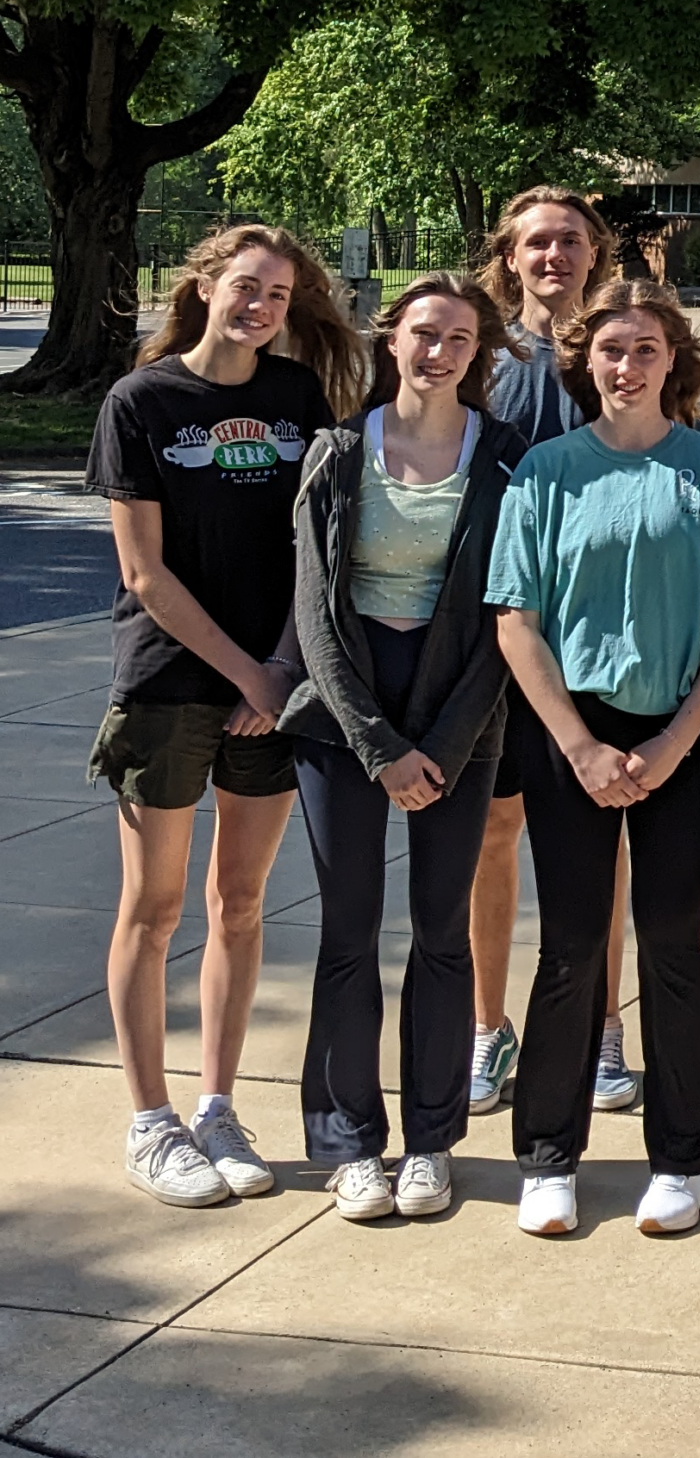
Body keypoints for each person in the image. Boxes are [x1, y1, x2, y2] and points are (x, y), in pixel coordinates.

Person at [87, 224, 364, 1207]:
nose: (260, 307)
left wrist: (284, 670)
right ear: (201, 287)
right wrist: (247, 673)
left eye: (278, 296)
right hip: (170, 685)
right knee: (155, 909)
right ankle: (151, 1121)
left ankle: (216, 1106)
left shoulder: (296, 399)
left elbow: (317, 552)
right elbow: (141, 573)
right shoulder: (143, 403)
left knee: (238, 906)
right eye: (245, 287)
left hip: (270, 692)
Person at [486, 279, 700, 1237]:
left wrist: (674, 741)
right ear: (583, 361)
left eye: (645, 349)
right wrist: (580, 744)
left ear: (675, 360)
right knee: (573, 946)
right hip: (571, 733)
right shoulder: (545, 472)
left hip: (682, 727)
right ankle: (548, 1156)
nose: (627, 366)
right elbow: (516, 621)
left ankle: (683, 1160)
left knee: (672, 945)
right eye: (611, 350)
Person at [280, 273, 526, 1220]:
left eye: (460, 339)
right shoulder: (337, 453)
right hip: (346, 719)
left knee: (439, 934)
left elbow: (508, 613)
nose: (440, 351)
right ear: (394, 341)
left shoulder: (503, 458)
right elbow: (314, 610)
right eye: (426, 333)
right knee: (347, 934)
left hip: (460, 714)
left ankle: (431, 1140)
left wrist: (449, 745)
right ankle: (349, 1144)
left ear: (479, 353)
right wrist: (378, 745)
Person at [470, 185, 638, 1116]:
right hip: (499, 629)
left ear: (594, 254)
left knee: (598, 843)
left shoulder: (616, 349)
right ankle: (488, 1029)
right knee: (496, 831)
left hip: (597, 632)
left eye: (571, 241)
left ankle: (603, 1030)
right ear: (510, 255)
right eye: (537, 242)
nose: (554, 256)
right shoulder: (482, 357)